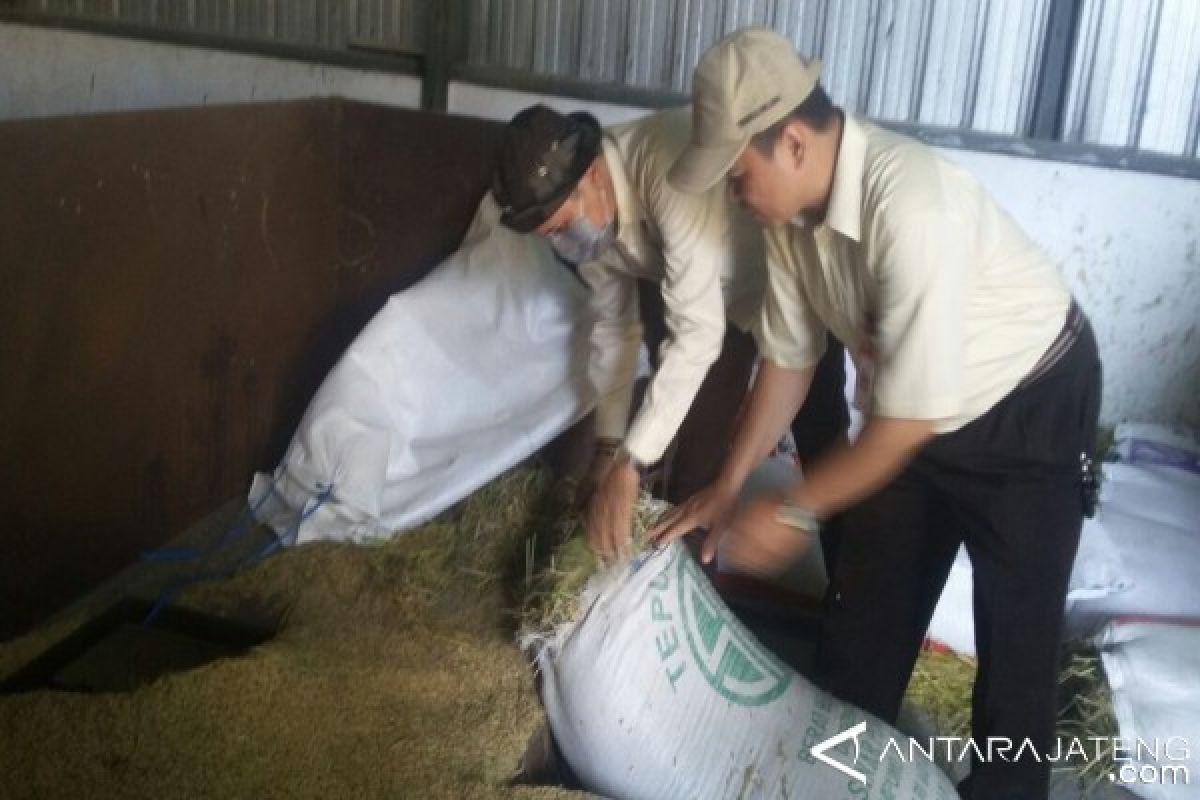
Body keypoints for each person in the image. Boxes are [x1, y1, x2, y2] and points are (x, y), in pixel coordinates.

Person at [652, 28, 1102, 800]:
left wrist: (791, 508)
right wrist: (729, 488)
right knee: (863, 621)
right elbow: (791, 362)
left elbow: (901, 428)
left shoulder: (911, 207)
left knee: (1015, 671)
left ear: (791, 142)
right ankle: (841, 783)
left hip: (1029, 409)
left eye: (735, 175)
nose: (732, 195)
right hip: (919, 416)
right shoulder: (792, 225)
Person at [492, 104, 848, 562]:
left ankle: (847, 583)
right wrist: (608, 447)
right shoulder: (590, 232)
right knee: (702, 467)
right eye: (549, 235)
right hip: (729, 308)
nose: (562, 242)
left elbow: (697, 335)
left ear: (594, 176)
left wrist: (631, 463)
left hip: (795, 292)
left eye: (560, 227)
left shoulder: (665, 165)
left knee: (823, 444)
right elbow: (614, 327)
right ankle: (684, 587)